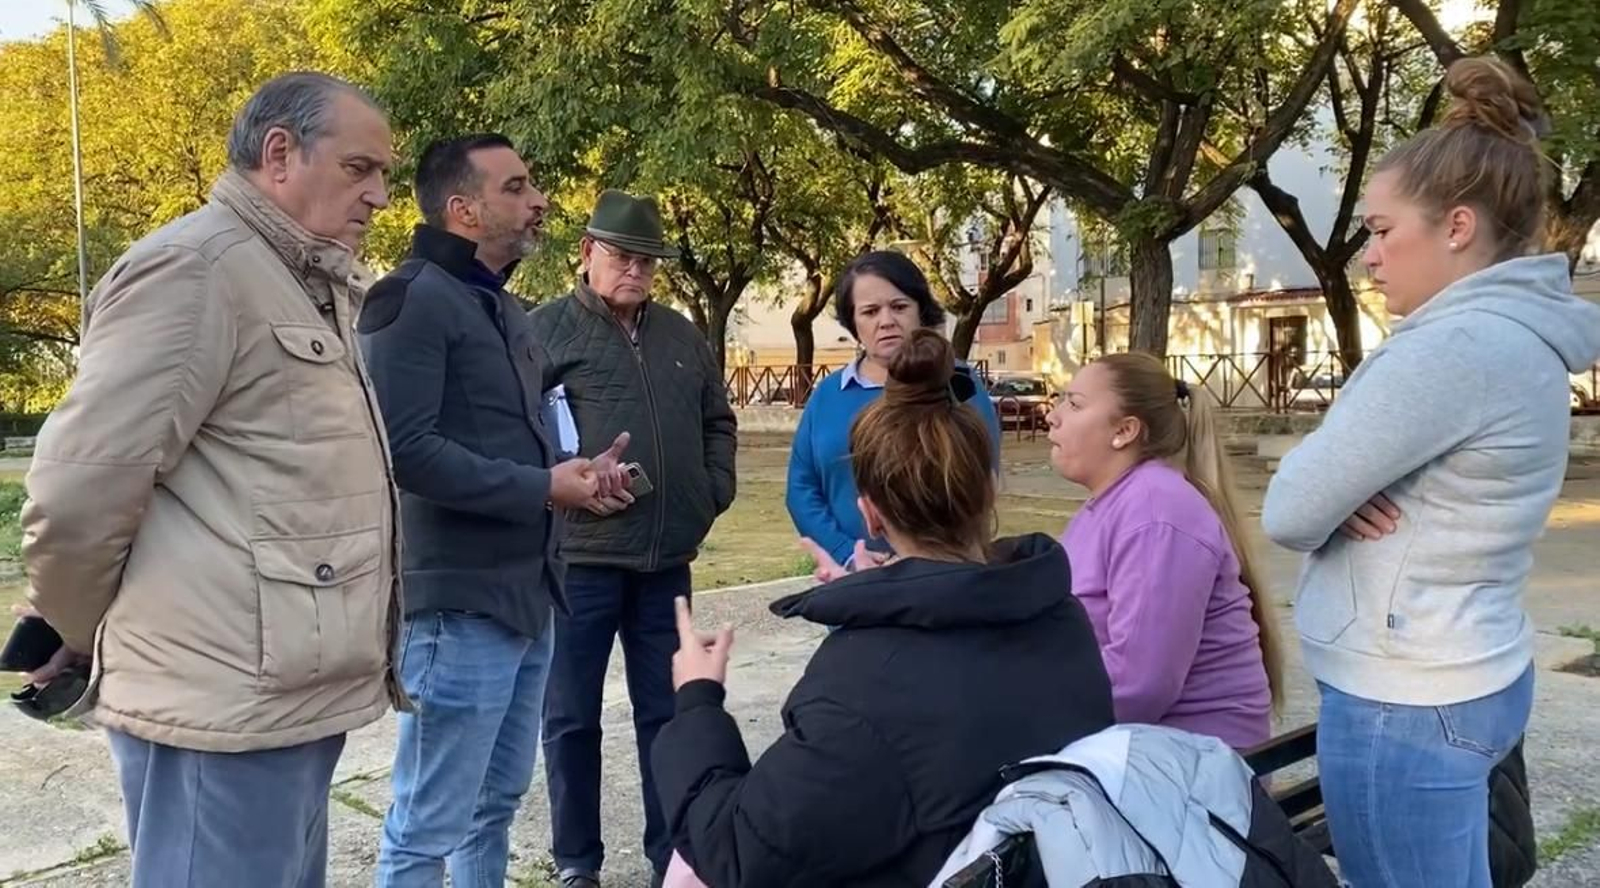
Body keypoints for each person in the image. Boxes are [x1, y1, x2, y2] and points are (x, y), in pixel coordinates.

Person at [18, 72, 401, 888]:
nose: (379, 195)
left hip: (282, 696)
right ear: (279, 154)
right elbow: (82, 490)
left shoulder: (302, 279)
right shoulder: (195, 270)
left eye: (385, 176)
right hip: (216, 706)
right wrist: (72, 629)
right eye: (360, 168)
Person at [1261, 57, 1600, 888]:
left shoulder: (1451, 347)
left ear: (1455, 226)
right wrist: (1344, 489)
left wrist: (1333, 494)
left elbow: (1291, 509)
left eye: (1381, 230)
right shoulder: (1510, 335)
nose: (1368, 254)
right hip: (1459, 667)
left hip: (1405, 696)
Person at [652, 328, 1116, 887]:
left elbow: (736, 853)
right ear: (990, 489)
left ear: (869, 514)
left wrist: (697, 701)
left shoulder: (866, 681)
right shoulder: (1062, 619)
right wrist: (890, 598)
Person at [358, 134, 619, 887]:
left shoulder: (503, 308)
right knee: (427, 823)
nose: (538, 201)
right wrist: (543, 487)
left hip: (526, 596)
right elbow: (405, 452)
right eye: (517, 187)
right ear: (464, 208)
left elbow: (515, 441)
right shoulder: (406, 299)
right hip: (455, 607)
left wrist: (583, 478)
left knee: (494, 804)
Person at [528, 189, 738, 888]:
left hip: (664, 561)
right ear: (586, 252)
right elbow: (518, 435)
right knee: (570, 717)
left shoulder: (683, 336)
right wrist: (561, 480)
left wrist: (711, 493)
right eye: (622, 256)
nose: (637, 271)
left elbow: (719, 422)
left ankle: (668, 856)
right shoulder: (543, 332)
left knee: (668, 715)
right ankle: (576, 862)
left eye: (648, 261)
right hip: (579, 559)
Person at [1045, 353, 1281, 749]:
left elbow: (1139, 687)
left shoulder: (1155, 510)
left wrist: (1024, 712)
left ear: (1124, 430)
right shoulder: (1116, 503)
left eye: (1074, 403)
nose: (1054, 415)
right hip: (1139, 757)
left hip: (1186, 777)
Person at [786, 250, 1002, 567]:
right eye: (870, 312)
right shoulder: (829, 394)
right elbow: (801, 489)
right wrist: (847, 554)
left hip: (947, 574)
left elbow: (983, 478)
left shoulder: (959, 383)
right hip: (855, 579)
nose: (886, 321)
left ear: (920, 311)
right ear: (853, 323)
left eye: (899, 307)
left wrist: (930, 558)